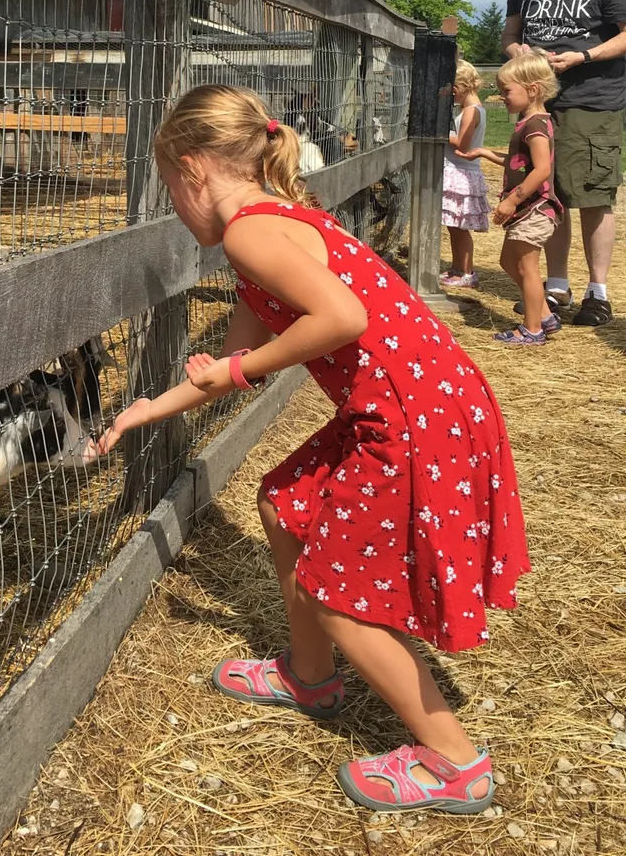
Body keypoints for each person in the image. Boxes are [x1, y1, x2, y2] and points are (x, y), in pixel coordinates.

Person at [88, 84, 529, 815]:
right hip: (420, 401)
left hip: (409, 416)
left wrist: (242, 369)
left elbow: (340, 316)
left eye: (169, 188)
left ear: (193, 168)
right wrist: (150, 407)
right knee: (285, 503)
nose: (174, 206)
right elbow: (227, 366)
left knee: (340, 593)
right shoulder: (270, 226)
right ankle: (311, 674)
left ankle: (456, 763)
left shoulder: (248, 233)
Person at [502, 0, 626, 326]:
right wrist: (518, 51)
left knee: (592, 194)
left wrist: (584, 57)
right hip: (541, 103)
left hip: (593, 99)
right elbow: (510, 34)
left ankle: (598, 293)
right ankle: (556, 287)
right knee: (547, 196)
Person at [465, 52, 563, 345]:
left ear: (532, 89)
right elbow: (521, 163)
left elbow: (542, 168)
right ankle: (545, 315)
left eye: (507, 90)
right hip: (527, 209)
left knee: (527, 269)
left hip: (535, 208)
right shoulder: (528, 121)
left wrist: (512, 200)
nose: (501, 96)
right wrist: (484, 153)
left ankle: (532, 329)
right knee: (509, 261)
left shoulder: (535, 125)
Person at [440, 62, 489, 288]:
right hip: (457, 170)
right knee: (454, 225)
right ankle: (458, 268)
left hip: (462, 171)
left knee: (460, 227)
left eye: (454, 88)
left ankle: (467, 272)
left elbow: (462, 143)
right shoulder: (468, 109)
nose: (452, 93)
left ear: (462, 85)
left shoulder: (471, 111)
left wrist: (439, 132)